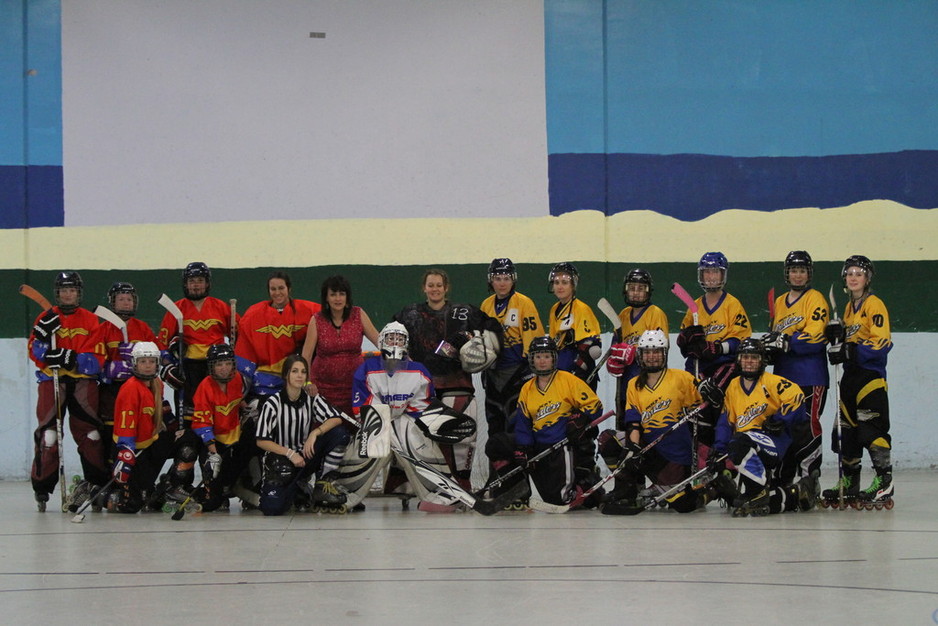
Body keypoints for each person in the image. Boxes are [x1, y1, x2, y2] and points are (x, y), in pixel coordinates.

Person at [331, 322, 474, 511]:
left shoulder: (419, 371)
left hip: (405, 423)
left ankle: (442, 496)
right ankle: (343, 493)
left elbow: (421, 407)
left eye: (400, 339)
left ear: (406, 344)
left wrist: (435, 422)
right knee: (371, 444)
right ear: (382, 341)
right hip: (377, 423)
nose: (395, 343)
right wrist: (389, 430)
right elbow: (364, 410)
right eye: (391, 338)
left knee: (419, 443)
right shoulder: (366, 369)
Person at [393, 269, 501, 489]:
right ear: (424, 288)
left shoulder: (464, 312)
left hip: (458, 385)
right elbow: (391, 337)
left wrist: (475, 338)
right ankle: (411, 486)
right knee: (411, 436)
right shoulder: (409, 314)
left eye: (439, 285)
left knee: (462, 439)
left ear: (446, 288)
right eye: (430, 285)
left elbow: (493, 328)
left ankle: (462, 484)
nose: (435, 289)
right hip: (420, 388)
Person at [599, 330, 725, 515]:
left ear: (664, 353)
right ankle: (630, 490)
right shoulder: (634, 384)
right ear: (640, 355)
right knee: (608, 441)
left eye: (656, 351)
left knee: (683, 505)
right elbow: (633, 422)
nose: (652, 357)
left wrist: (712, 395)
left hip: (674, 453)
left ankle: (714, 490)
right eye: (647, 352)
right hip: (646, 447)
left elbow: (706, 407)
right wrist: (633, 447)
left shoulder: (681, 378)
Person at [485, 336, 603, 508]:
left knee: (560, 500)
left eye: (547, 356)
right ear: (532, 359)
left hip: (560, 445)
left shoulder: (568, 380)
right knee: (497, 444)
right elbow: (523, 421)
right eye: (538, 356)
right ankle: (515, 491)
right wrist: (522, 448)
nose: (542, 361)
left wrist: (578, 419)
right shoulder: (527, 387)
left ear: (554, 358)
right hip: (536, 446)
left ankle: (589, 487)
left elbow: (595, 407)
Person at [27, 271, 109, 511]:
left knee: (92, 435)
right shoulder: (45, 317)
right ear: (58, 293)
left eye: (72, 290)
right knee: (49, 437)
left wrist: (71, 359)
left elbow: (97, 358)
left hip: (83, 383)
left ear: (78, 293)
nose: (68, 294)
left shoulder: (91, 320)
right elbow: (34, 351)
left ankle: (96, 486)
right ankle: (42, 489)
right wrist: (44, 345)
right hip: (51, 381)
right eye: (63, 290)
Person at [711, 339, 816, 516]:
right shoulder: (733, 386)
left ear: (762, 361)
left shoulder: (772, 382)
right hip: (746, 446)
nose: (749, 362)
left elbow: (797, 397)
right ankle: (795, 495)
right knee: (738, 445)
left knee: (739, 442)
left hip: (772, 442)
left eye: (754, 357)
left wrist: (781, 419)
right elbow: (726, 420)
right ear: (739, 360)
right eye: (745, 357)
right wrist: (719, 449)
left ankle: (757, 491)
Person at [822, 255, 893, 506]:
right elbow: (845, 343)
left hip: (870, 376)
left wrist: (851, 350)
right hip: (850, 376)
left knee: (870, 428)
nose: (853, 277)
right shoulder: (849, 308)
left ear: (867, 278)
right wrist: (836, 338)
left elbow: (882, 342)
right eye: (850, 272)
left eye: (859, 273)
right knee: (846, 430)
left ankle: (884, 482)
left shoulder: (874, 304)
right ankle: (851, 482)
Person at [763, 251, 828, 490]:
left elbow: (816, 336)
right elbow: (777, 337)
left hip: (810, 376)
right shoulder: (779, 301)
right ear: (787, 273)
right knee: (783, 425)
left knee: (806, 426)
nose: (797, 275)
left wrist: (787, 342)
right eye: (793, 270)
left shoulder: (816, 298)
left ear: (808, 273)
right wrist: (769, 348)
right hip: (782, 378)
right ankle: (784, 477)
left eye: (802, 270)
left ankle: (810, 477)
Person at [255, 355, 350, 515]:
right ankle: (298, 488)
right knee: (272, 509)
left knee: (339, 434)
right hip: (282, 462)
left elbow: (335, 418)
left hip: (305, 457)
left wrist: (315, 432)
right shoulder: (273, 403)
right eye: (295, 371)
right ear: (286, 375)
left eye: (303, 372)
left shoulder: (311, 399)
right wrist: (290, 454)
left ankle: (323, 483)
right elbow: (262, 441)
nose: (299, 376)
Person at [545, 262, 603, 498]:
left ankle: (587, 479)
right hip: (562, 382)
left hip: (580, 382)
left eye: (565, 281)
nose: (560, 286)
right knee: (563, 430)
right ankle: (568, 480)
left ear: (573, 284)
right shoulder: (554, 310)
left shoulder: (581, 309)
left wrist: (578, 375)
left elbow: (592, 348)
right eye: (557, 281)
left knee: (582, 430)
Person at [157, 262, 238, 422]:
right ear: (185, 284)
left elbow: (239, 336)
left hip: (216, 368)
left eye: (200, 280)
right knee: (188, 416)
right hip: (187, 369)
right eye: (191, 281)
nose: (196, 285)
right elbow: (162, 343)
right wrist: (168, 367)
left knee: (216, 413)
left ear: (207, 283)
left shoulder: (221, 307)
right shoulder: (176, 309)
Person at [107, 342, 180, 513]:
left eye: (151, 361)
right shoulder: (131, 388)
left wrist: (176, 428)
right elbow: (126, 423)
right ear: (134, 363)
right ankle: (94, 492)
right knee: (133, 505)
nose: (147, 365)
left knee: (187, 443)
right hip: (131, 449)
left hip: (150, 444)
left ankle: (167, 487)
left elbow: (160, 410)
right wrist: (125, 450)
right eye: (142, 361)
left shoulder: (156, 383)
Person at [181, 344, 252, 511]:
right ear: (211, 367)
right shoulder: (204, 388)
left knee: (249, 445)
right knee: (211, 502)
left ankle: (234, 486)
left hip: (233, 437)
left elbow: (237, 399)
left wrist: (245, 406)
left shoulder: (238, 379)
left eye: (228, 363)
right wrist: (213, 454)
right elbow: (202, 424)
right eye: (219, 364)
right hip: (213, 441)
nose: (224, 369)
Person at [479, 258, 542, 437]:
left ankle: (522, 462)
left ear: (513, 279)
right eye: (497, 278)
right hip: (493, 373)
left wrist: (530, 370)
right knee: (495, 423)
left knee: (518, 422)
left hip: (517, 371)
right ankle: (499, 463)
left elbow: (533, 340)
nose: (502, 283)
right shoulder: (486, 305)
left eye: (506, 278)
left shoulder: (524, 303)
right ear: (491, 280)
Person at [98, 282, 160, 466]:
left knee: (140, 431)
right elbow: (95, 364)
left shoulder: (142, 328)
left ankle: (135, 478)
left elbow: (158, 353)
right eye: (121, 299)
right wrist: (111, 369)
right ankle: (112, 476)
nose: (126, 303)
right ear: (112, 303)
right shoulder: (104, 330)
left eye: (129, 299)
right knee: (111, 436)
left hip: (140, 390)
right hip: (112, 391)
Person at [236, 271, 320, 401]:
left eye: (281, 288)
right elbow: (245, 350)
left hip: (295, 380)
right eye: (273, 289)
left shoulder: (309, 310)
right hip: (264, 383)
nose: (277, 293)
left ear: (289, 288)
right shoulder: (253, 315)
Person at [302, 275, 380, 416]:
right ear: (326, 298)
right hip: (323, 388)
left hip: (356, 386)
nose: (337, 299)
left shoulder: (359, 314)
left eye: (341, 294)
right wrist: (307, 383)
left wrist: (404, 358)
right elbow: (306, 356)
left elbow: (380, 341)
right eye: (333, 294)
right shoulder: (316, 320)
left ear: (347, 297)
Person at [605, 269, 670, 428]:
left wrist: (634, 353)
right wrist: (613, 360)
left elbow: (662, 349)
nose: (636, 293)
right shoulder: (623, 315)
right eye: (632, 288)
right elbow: (615, 346)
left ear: (648, 291)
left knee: (647, 427)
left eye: (641, 289)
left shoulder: (656, 313)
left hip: (649, 384)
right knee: (624, 427)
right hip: (625, 384)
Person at [677, 252, 752, 382]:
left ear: (723, 275)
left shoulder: (732, 304)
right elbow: (684, 343)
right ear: (701, 275)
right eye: (707, 272)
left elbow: (740, 340)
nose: (711, 277)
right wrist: (688, 342)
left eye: (715, 272)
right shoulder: (694, 306)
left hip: (724, 364)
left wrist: (718, 348)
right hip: (698, 365)